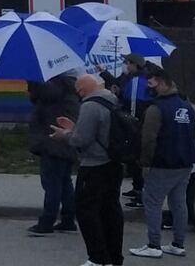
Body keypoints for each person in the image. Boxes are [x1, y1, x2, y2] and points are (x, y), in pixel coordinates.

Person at [50, 74, 124, 266]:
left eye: (79, 90)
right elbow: (99, 131)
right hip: (114, 163)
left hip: (94, 166)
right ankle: (114, 257)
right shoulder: (112, 100)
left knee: (86, 211)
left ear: (85, 88)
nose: (78, 95)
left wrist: (65, 134)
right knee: (111, 210)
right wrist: (76, 127)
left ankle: (97, 257)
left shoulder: (90, 106)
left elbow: (80, 140)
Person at [128, 67, 195, 259]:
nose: (148, 88)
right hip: (185, 162)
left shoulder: (156, 108)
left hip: (162, 163)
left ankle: (153, 245)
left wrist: (144, 163)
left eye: (150, 83)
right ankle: (178, 243)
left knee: (152, 202)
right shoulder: (186, 105)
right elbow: (192, 133)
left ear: (160, 82)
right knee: (179, 203)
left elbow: (148, 139)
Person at [26, 72, 80, 235]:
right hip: (66, 142)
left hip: (52, 141)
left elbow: (38, 96)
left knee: (52, 184)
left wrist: (32, 77)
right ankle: (68, 220)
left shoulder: (53, 89)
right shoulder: (69, 89)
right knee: (64, 183)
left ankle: (47, 222)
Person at [100, 53, 151, 206]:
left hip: (135, 126)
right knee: (135, 160)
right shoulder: (136, 79)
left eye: (127, 63)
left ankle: (140, 193)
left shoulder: (137, 81)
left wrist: (131, 124)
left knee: (136, 159)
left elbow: (134, 105)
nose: (125, 66)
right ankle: (137, 189)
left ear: (134, 64)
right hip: (139, 125)